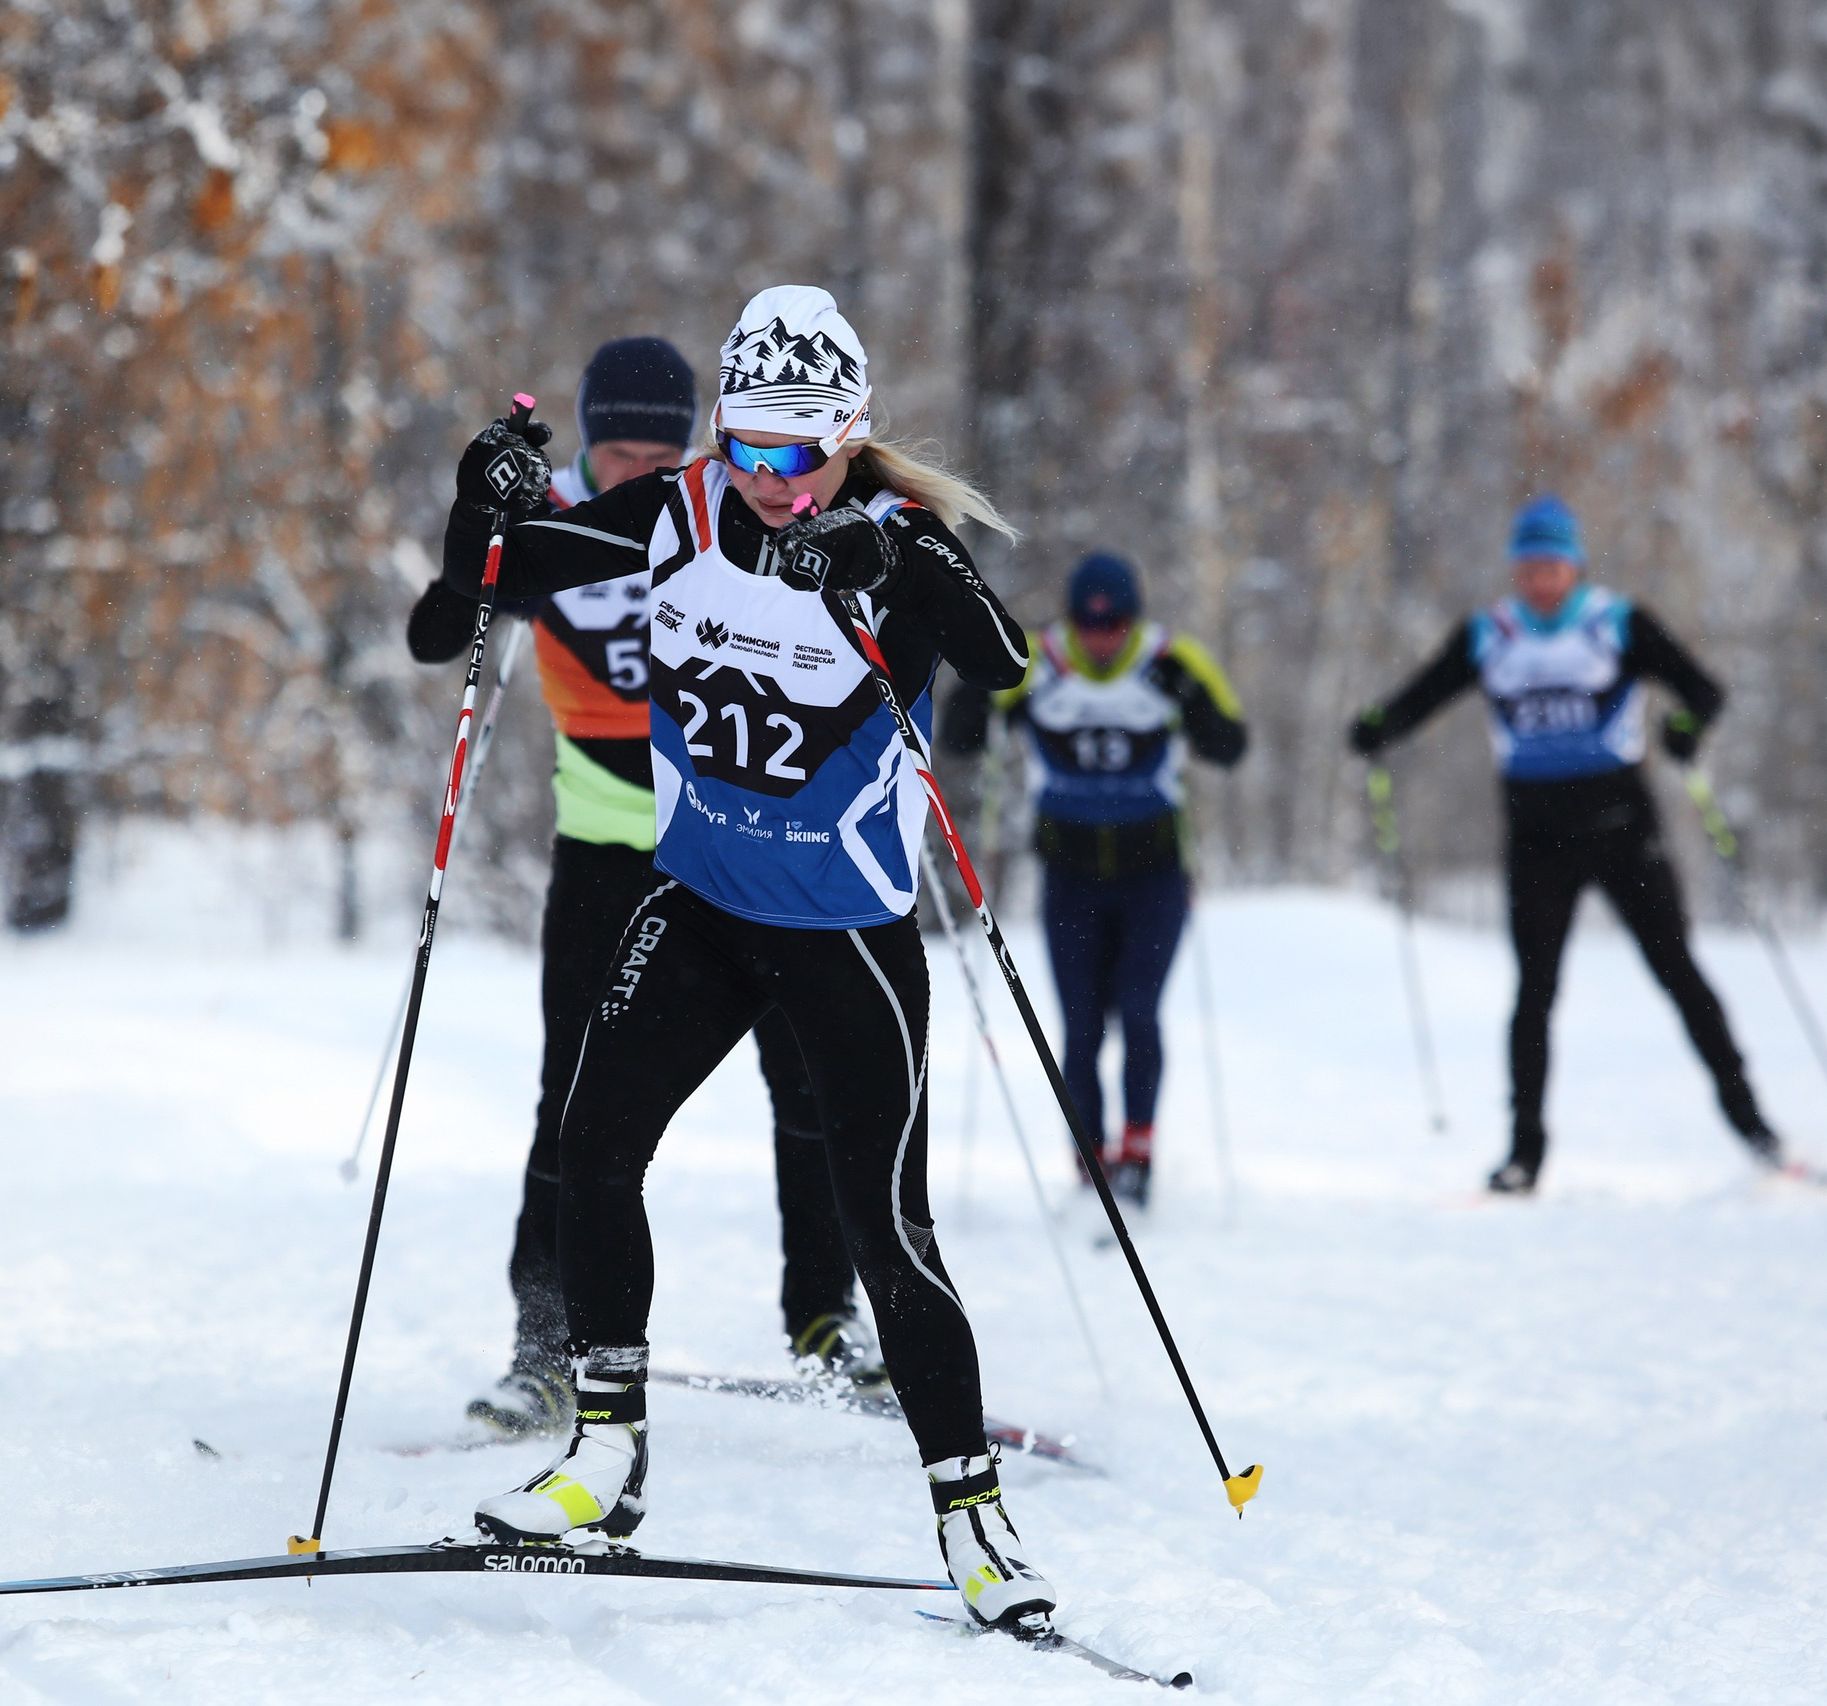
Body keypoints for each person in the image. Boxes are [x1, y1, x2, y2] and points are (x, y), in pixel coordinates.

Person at [435, 285, 1058, 1630]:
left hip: (844, 937)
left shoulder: (891, 535)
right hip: (701, 903)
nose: (773, 482)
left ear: (851, 439)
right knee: (591, 1146)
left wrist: (902, 567)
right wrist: (482, 492)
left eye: (802, 454)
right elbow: (492, 581)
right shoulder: (677, 511)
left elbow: (1004, 664)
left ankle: (974, 1518)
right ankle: (608, 1453)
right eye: (751, 447)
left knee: (885, 1225)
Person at [407, 337, 879, 1440]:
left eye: (660, 453)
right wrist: (479, 510)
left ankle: (823, 1320)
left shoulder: (721, 507)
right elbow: (441, 629)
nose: (638, 475)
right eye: (617, 451)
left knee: (810, 1084)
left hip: (741, 840)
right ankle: (544, 1350)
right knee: (571, 1102)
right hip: (606, 844)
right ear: (583, 439)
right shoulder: (570, 517)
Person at [1348, 494, 1790, 1194]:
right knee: (1534, 993)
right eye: (1527, 568)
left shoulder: (1615, 624)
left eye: (1552, 566)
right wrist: (1379, 725)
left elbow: (1703, 691)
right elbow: (1422, 697)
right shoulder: (1490, 635)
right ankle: (1524, 1154)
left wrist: (1684, 731)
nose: (1539, 580)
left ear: (1575, 566)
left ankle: (1754, 1125)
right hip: (1538, 839)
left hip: (1624, 829)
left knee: (1677, 972)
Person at [944, 552, 1246, 1206]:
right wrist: (980, 693)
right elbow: (960, 739)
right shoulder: (1034, 658)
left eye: (1114, 626)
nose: (1102, 639)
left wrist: (1189, 699)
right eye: (1088, 625)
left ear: (1133, 621)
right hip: (1070, 875)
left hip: (1154, 876)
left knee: (1139, 1012)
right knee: (1081, 1026)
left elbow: (1230, 746)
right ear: (1072, 620)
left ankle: (1138, 1150)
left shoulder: (1171, 658)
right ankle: (1090, 1157)